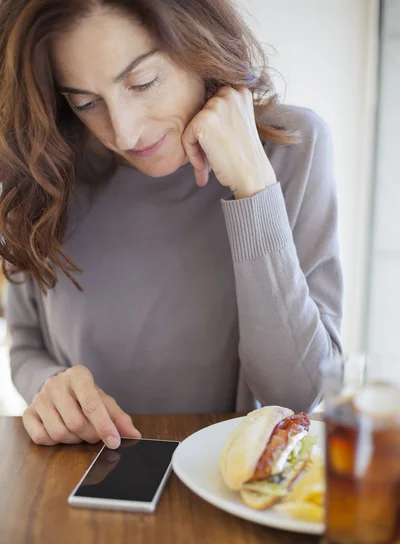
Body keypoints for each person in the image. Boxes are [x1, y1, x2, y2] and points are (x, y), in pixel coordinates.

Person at [0, 0, 343, 450]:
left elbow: (298, 393)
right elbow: (26, 341)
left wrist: (253, 187)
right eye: (85, 102)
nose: (123, 133)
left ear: (199, 44)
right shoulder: (48, 166)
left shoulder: (292, 148)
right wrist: (53, 388)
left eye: (142, 83)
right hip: (82, 478)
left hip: (229, 488)